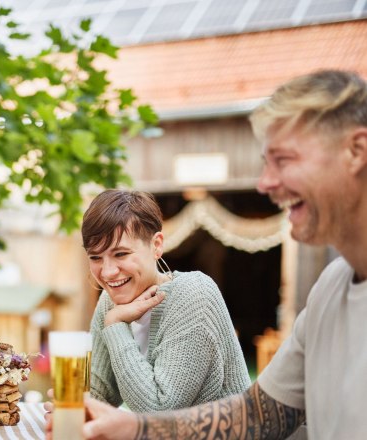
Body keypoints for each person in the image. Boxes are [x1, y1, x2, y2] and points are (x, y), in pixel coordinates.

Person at [70, 70, 367, 439]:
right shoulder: (331, 289)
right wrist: (130, 425)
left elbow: (166, 407)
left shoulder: (192, 294)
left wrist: (138, 422)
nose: (265, 183)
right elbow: (259, 413)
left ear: (356, 151)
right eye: (95, 256)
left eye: (284, 160)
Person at [82, 189, 250, 412]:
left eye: (121, 254)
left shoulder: (194, 294)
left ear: (157, 245)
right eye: (95, 257)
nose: (108, 271)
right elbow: (98, 394)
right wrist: (75, 402)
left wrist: (115, 325)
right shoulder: (109, 302)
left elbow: (159, 411)